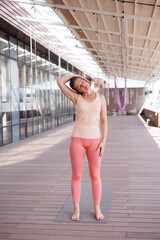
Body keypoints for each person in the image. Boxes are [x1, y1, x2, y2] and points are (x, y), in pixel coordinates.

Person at [57, 74, 107, 221]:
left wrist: (103, 141)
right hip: (77, 141)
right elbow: (59, 81)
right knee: (77, 176)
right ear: (77, 90)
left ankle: (97, 208)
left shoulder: (101, 98)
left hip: (95, 142)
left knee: (95, 176)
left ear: (87, 81)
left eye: (83, 82)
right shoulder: (76, 98)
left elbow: (104, 121)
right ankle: (76, 209)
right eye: (79, 85)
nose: (83, 85)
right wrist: (75, 76)